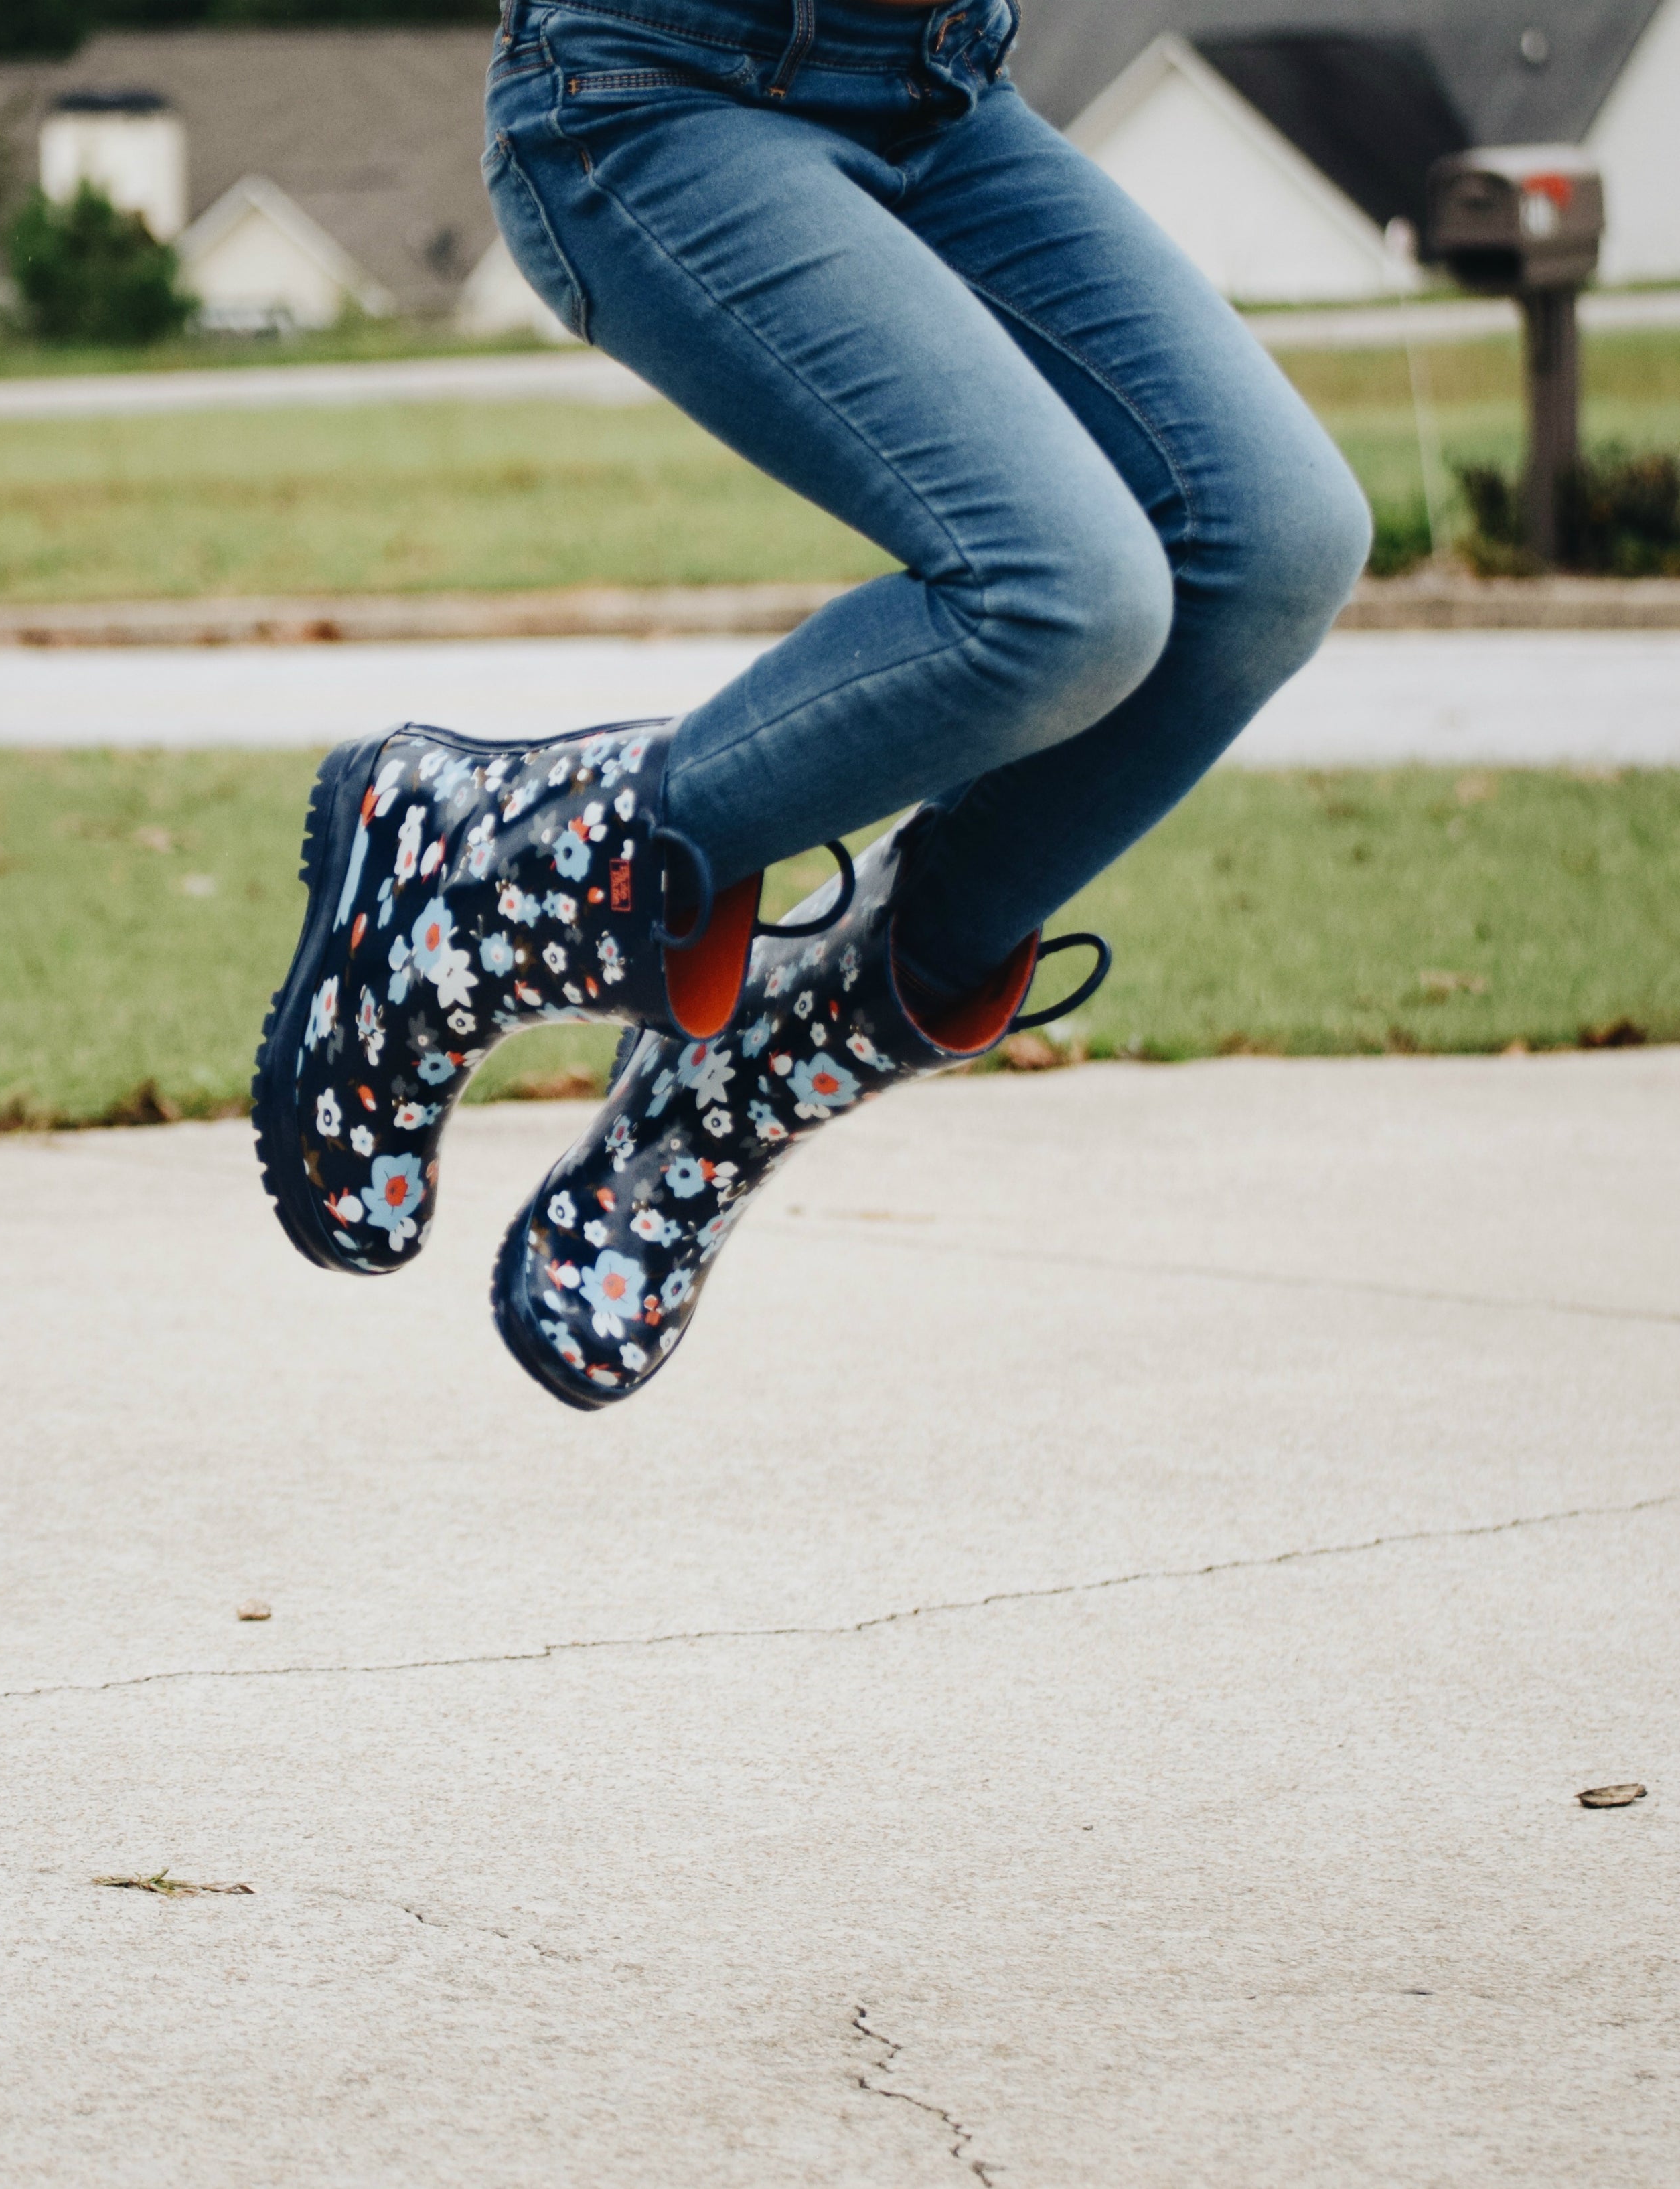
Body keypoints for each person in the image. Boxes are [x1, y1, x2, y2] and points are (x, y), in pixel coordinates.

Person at [250, 0, 1371, 1409]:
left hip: (939, 93)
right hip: (653, 86)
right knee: (1064, 595)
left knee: (1277, 542)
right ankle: (479, 874)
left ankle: (776, 1040)